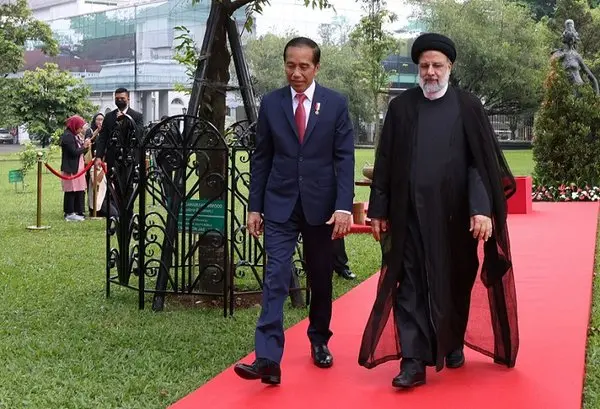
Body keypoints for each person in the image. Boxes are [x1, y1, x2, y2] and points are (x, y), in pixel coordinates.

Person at [357, 33, 519, 389]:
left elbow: (480, 165)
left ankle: (451, 340)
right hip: (409, 216)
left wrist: (481, 209)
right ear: (418, 67)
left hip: (456, 218)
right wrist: (378, 210)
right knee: (409, 283)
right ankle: (413, 361)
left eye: (437, 66)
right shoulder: (402, 108)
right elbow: (386, 161)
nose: (430, 72)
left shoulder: (468, 107)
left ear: (450, 67)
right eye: (425, 66)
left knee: (457, 280)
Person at [234, 36, 355, 385]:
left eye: (304, 66)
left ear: (316, 67)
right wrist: (255, 206)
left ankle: (319, 339)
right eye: (290, 65)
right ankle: (267, 358)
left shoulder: (335, 104)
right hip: (280, 204)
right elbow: (262, 157)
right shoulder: (271, 103)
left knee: (320, 276)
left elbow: (344, 158)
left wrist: (343, 206)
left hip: (322, 207)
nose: (296, 73)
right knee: (275, 276)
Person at [94, 88, 144, 217]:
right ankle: (119, 215)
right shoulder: (109, 116)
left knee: (128, 188)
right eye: (117, 99)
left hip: (129, 159)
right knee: (115, 187)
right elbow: (103, 137)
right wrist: (99, 156)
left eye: (122, 98)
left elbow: (139, 134)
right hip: (113, 159)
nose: (120, 101)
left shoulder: (137, 116)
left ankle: (128, 215)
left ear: (128, 99)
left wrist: (126, 120)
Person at [60, 115, 91, 221]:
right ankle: (69, 212)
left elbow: (80, 151)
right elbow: (73, 152)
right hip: (71, 168)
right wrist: (84, 147)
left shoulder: (75, 136)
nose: (81, 129)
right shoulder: (67, 136)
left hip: (79, 167)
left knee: (80, 190)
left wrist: (85, 147)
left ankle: (79, 211)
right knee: (71, 190)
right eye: (80, 127)